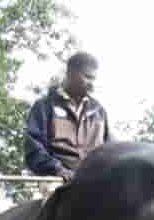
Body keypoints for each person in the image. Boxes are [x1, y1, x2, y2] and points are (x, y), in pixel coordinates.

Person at [23, 51, 109, 180]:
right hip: (55, 182)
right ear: (70, 73)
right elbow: (33, 149)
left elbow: (111, 150)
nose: (91, 83)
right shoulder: (44, 106)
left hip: (94, 182)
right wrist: (57, 169)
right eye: (87, 77)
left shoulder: (98, 111)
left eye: (93, 79)